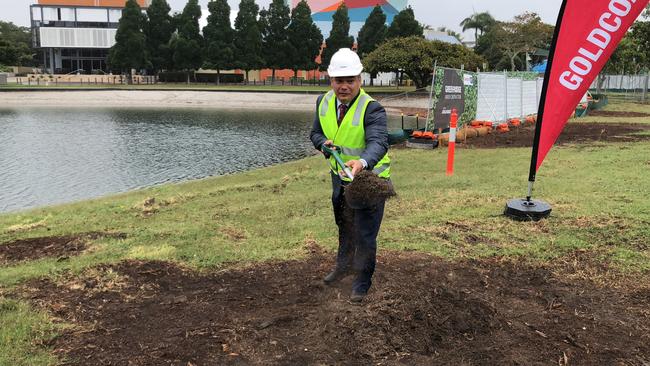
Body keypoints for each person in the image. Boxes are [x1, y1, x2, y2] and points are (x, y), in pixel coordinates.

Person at [309, 48, 391, 302]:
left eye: (350, 81)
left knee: (365, 234)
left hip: (369, 181)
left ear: (360, 80)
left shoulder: (372, 109)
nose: (344, 86)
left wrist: (363, 162)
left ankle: (361, 282)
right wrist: (324, 144)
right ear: (331, 80)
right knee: (345, 226)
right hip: (340, 181)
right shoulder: (323, 102)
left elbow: (379, 142)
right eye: (339, 81)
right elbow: (315, 134)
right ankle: (343, 267)